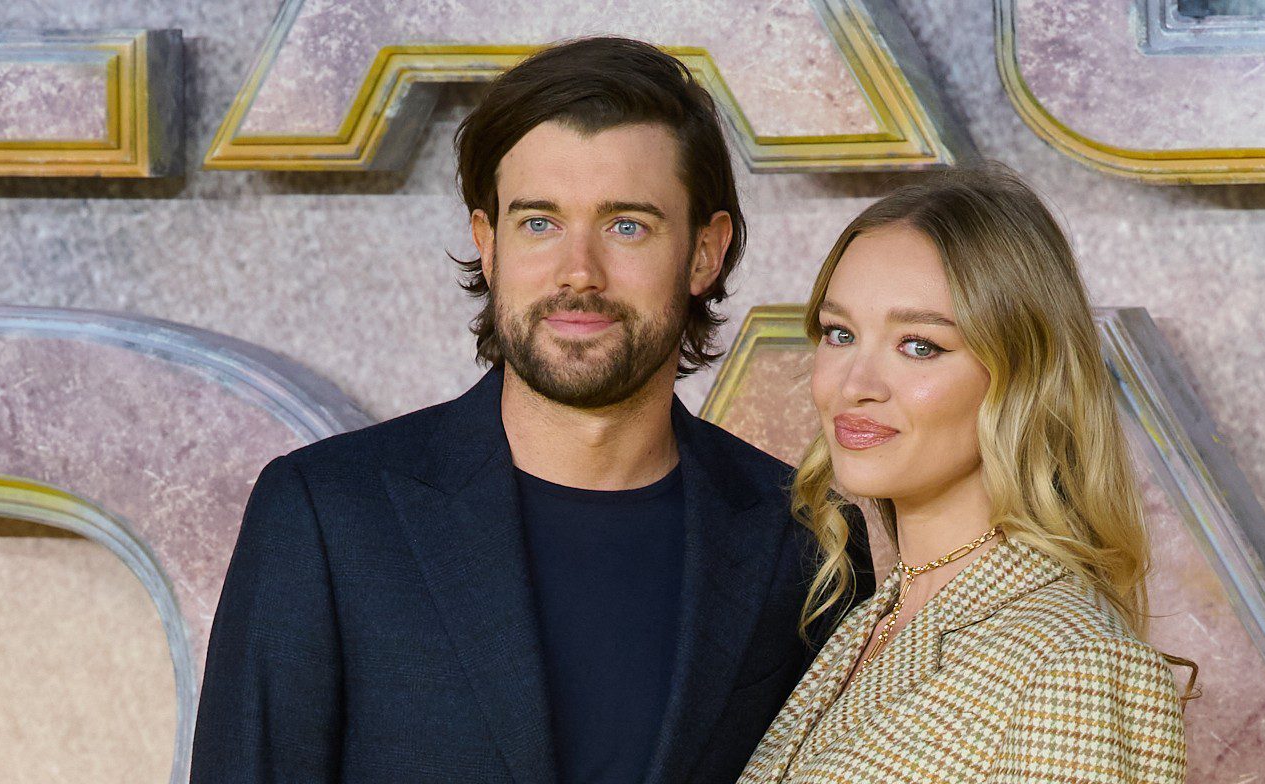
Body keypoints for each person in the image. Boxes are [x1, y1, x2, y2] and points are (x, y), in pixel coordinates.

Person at [190, 37, 870, 784]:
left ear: (706, 252)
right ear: (488, 243)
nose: (579, 271)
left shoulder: (809, 542)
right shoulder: (326, 516)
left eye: (627, 225)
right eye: (539, 223)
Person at [738, 165, 1192, 783]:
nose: (854, 386)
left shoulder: (1071, 665)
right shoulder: (867, 625)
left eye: (919, 345)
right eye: (839, 333)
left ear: (1023, 375)